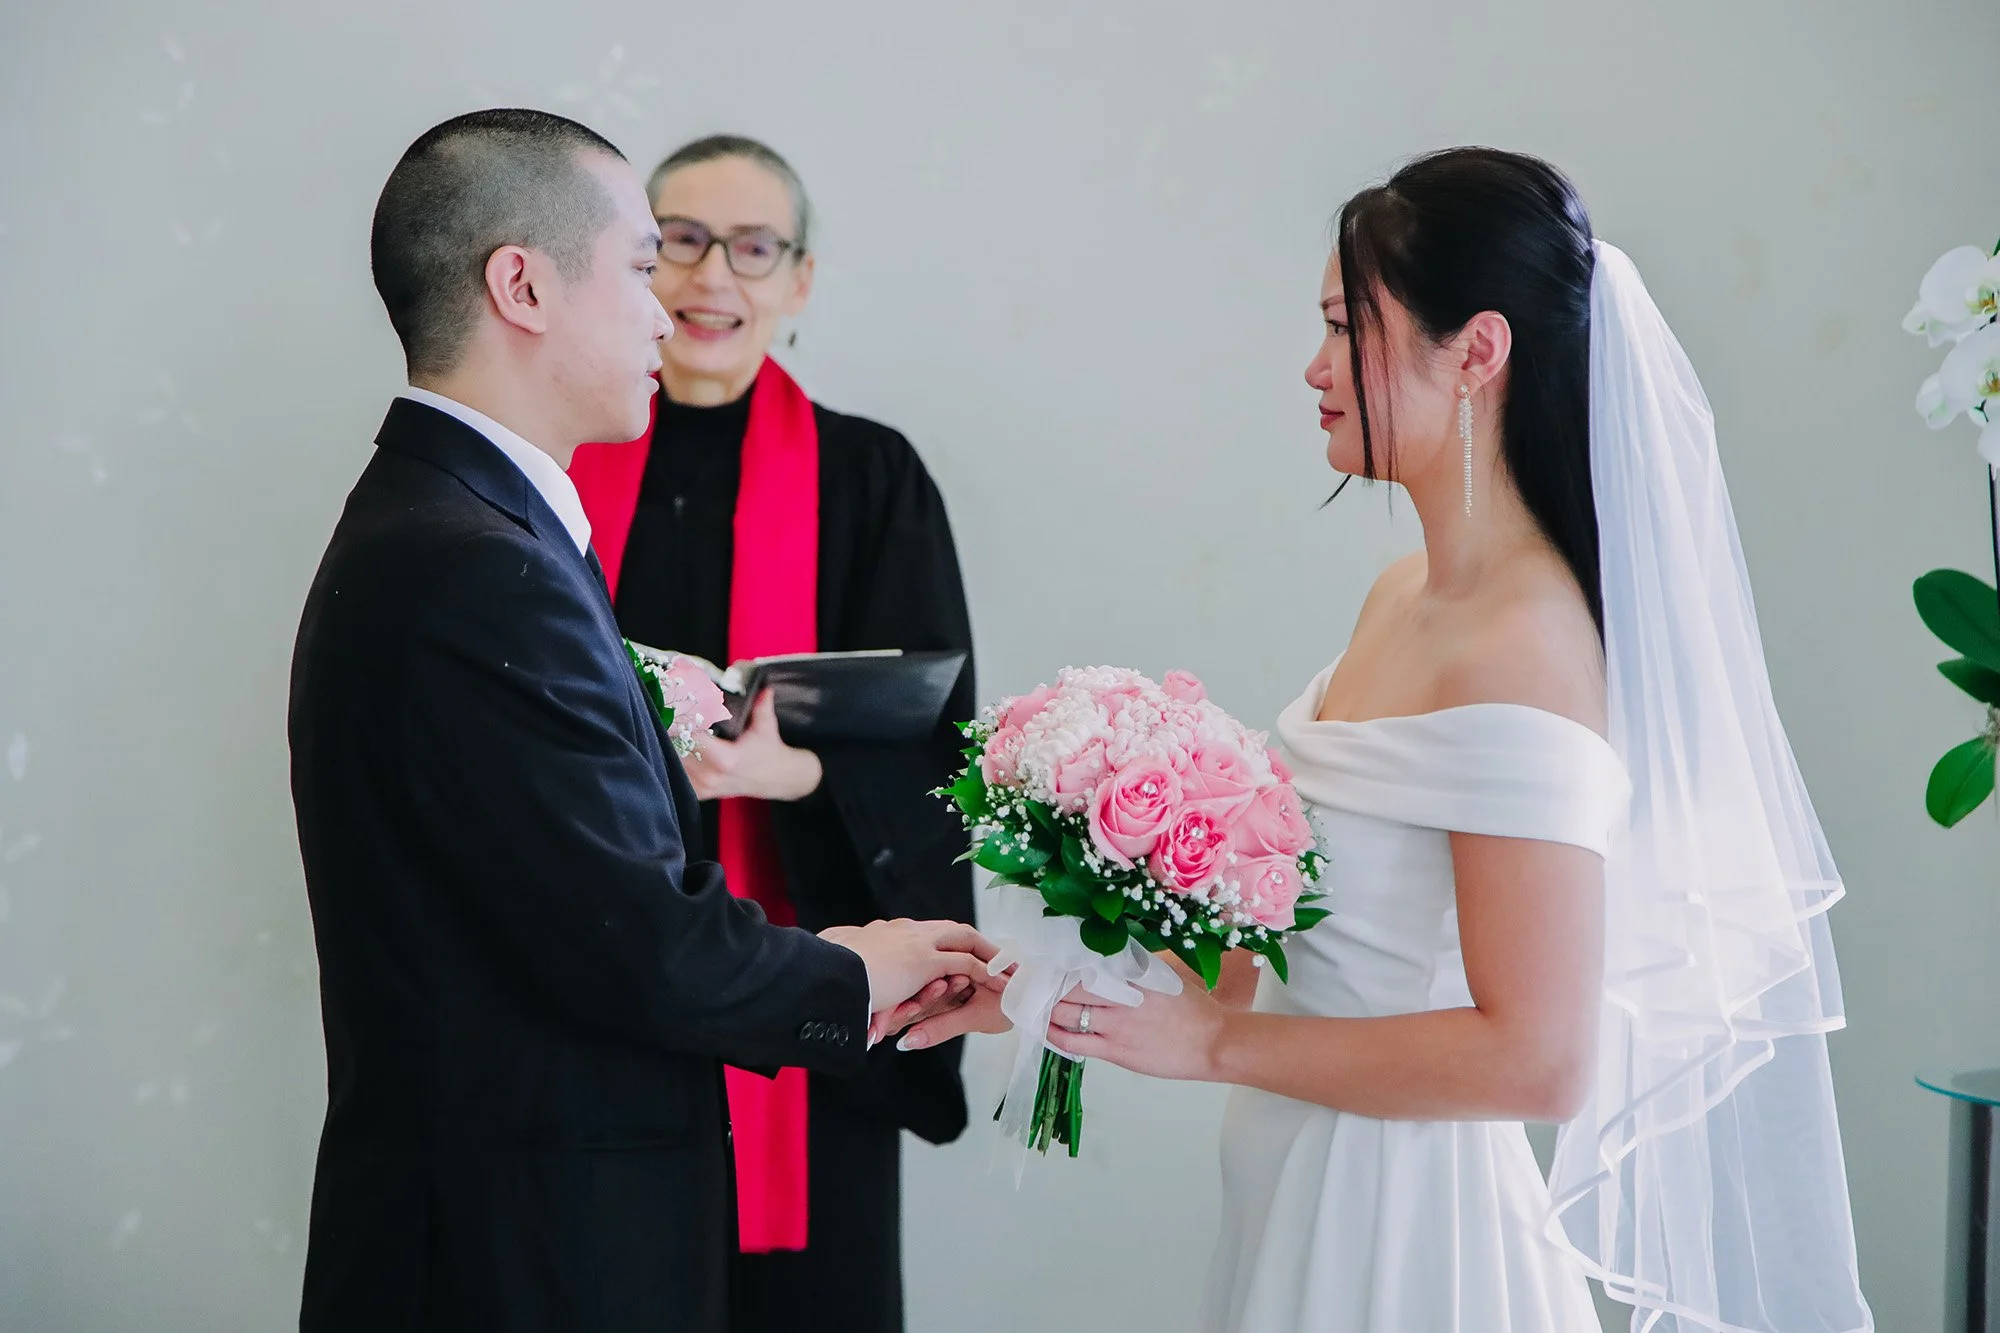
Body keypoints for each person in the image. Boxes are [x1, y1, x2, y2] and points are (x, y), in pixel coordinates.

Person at [905, 148, 1872, 1333]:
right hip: (1292, 1182)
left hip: (1412, 1231)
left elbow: (1538, 1058)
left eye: (1342, 327)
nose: (1312, 369)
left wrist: (1215, 1048)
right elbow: (1289, 954)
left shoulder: (1523, 644)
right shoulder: (1398, 594)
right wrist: (1035, 987)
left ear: (1475, 350)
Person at [288, 108, 986, 1333]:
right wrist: (856, 970)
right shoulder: (480, 566)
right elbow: (634, 941)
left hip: (554, 1176)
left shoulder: (453, 522)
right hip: (523, 1233)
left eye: (746, 250)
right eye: (644, 258)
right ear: (521, 283)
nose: (673, 302)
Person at [565, 133, 976, 1333]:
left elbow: (940, 752)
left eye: (752, 249)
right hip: (598, 968)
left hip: (810, 982)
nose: (710, 279)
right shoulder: (557, 470)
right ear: (632, 266)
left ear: (797, 282)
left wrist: (802, 773)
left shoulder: (870, 478)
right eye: (677, 243)